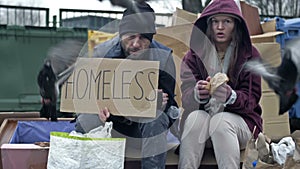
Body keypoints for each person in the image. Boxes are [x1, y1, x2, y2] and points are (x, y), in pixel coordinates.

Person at [75, 2, 178, 169]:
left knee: (157, 118)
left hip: (142, 129)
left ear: (151, 38)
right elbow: (84, 98)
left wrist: (162, 104)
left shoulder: (163, 58)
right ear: (121, 34)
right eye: (131, 36)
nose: (136, 44)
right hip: (110, 125)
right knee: (85, 120)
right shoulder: (102, 54)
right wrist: (96, 108)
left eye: (143, 37)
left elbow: (172, 108)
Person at [178, 0, 263, 168]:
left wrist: (231, 97)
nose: (220, 27)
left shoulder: (250, 55)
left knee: (221, 121)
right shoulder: (194, 55)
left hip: (239, 124)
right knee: (195, 117)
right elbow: (185, 96)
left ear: (236, 25)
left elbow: (252, 99)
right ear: (208, 25)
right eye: (215, 21)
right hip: (203, 126)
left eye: (227, 21)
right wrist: (197, 94)